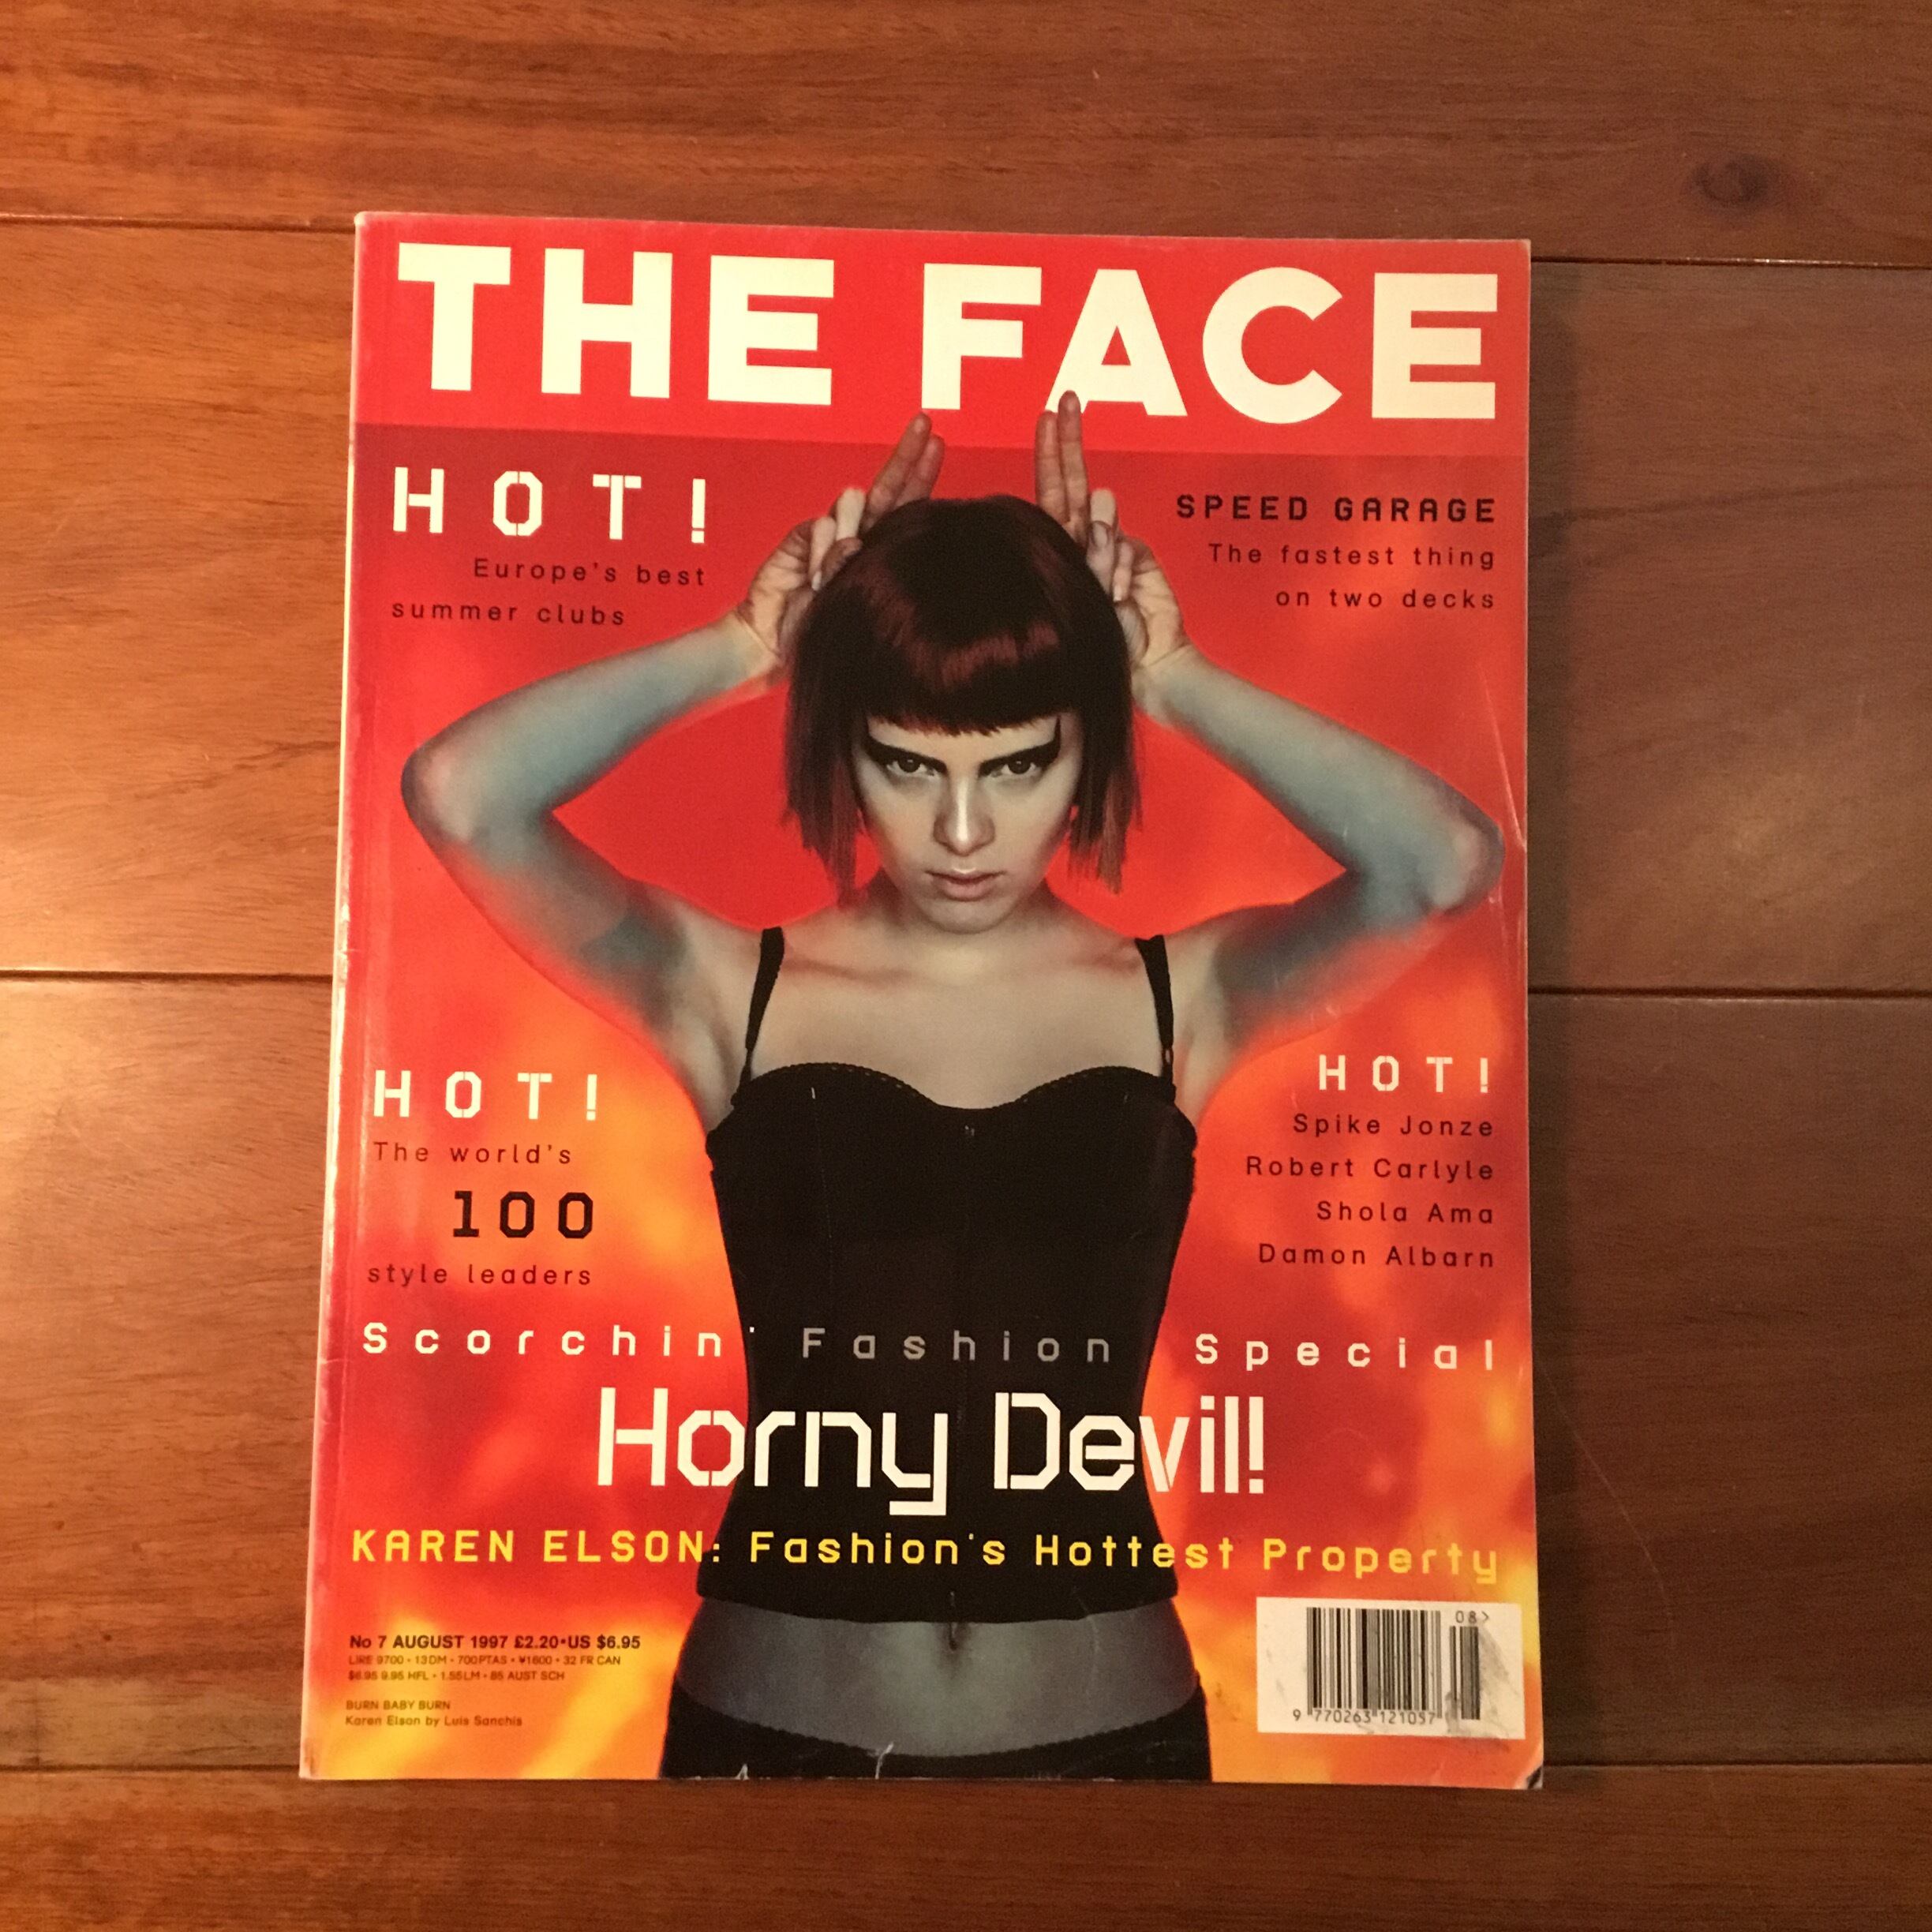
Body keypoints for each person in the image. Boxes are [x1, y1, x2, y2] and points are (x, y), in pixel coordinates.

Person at [401, 394, 1504, 1779]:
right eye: (909, 763)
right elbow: (461, 792)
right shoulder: (727, 991)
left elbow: (1445, 866)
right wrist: (742, 649)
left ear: (1088, 748)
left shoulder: (1188, 998)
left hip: (1111, 1749)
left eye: (1021, 764)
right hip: (772, 1744)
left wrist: (1171, 678)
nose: (965, 828)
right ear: (844, 746)